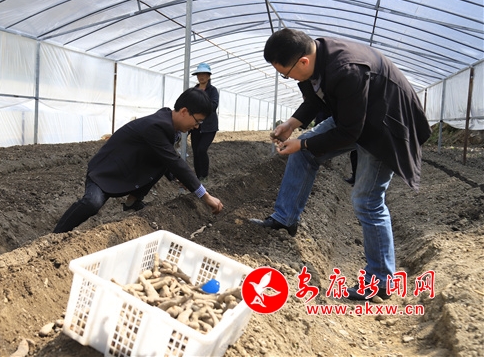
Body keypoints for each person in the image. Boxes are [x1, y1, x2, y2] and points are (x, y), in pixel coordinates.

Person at [250, 28, 431, 301]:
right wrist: (291, 124)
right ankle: (285, 220)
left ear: (303, 62)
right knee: (302, 153)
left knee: (367, 201)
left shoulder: (347, 69)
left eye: (286, 74)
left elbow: (349, 133)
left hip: (385, 124)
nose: (288, 79)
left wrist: (303, 144)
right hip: (356, 115)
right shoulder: (314, 59)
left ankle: (381, 281)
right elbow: (315, 98)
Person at [52, 88, 224, 233]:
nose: (197, 126)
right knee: (92, 202)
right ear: (185, 111)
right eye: (197, 121)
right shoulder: (157, 126)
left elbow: (168, 159)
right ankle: (56, 234)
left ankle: (133, 201)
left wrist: (178, 177)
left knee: (164, 159)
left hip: (127, 169)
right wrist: (205, 196)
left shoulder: (168, 123)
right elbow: (174, 161)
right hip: (105, 171)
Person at [189, 62, 219, 182]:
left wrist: (199, 106)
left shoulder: (213, 91)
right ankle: (198, 177)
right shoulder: (193, 91)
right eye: (199, 74)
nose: (201, 76)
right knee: (196, 151)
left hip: (209, 127)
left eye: (204, 74)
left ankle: (204, 176)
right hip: (195, 126)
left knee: (202, 149)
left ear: (209, 76)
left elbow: (213, 105)